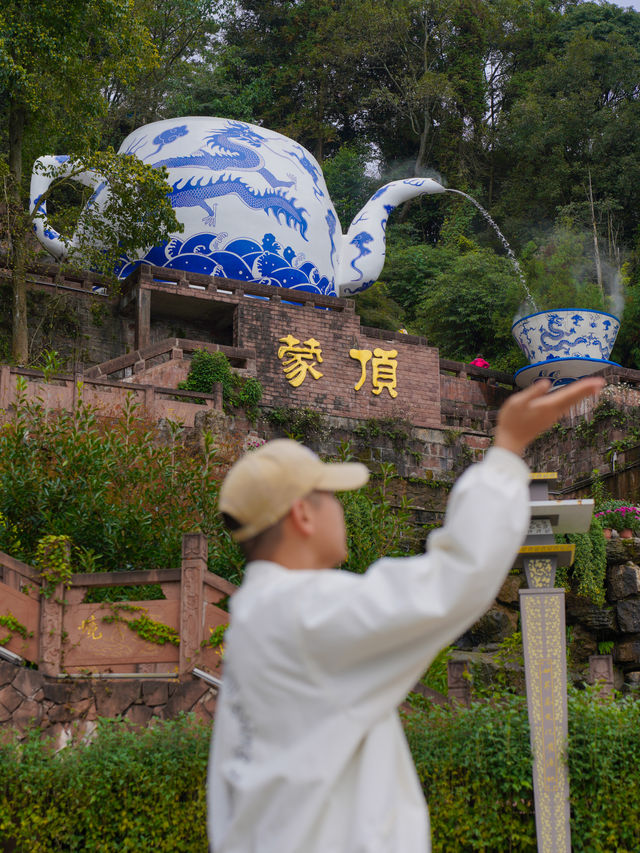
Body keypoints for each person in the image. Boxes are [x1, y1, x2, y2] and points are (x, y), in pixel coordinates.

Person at [208, 377, 605, 853]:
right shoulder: (306, 613)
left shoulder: (257, 621)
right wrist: (506, 450)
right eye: (330, 495)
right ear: (303, 515)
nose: (341, 508)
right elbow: (451, 581)